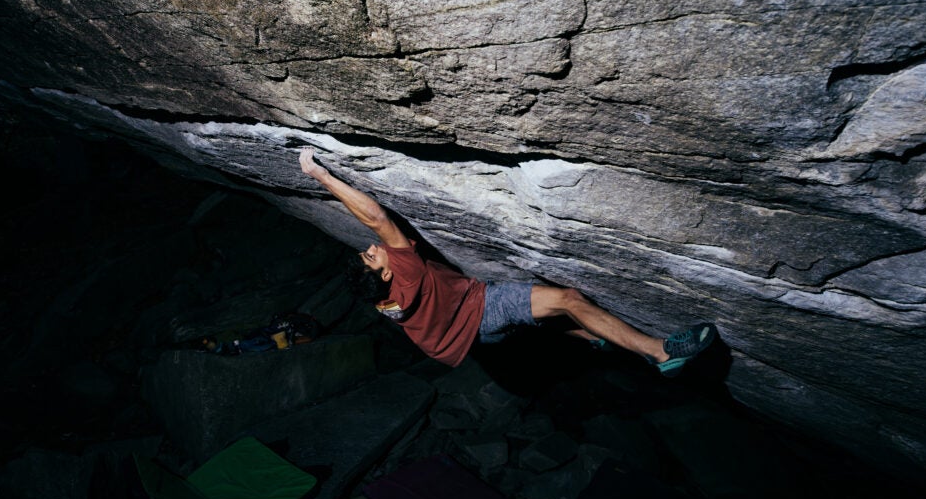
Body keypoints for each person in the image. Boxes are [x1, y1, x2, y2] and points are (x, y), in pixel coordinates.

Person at [299, 147, 717, 377]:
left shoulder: (382, 298)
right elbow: (376, 218)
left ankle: (592, 336)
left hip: (466, 343)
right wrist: (322, 176)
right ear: (388, 273)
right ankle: (658, 353)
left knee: (535, 318)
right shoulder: (406, 271)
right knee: (568, 299)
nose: (373, 247)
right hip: (481, 309)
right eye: (372, 256)